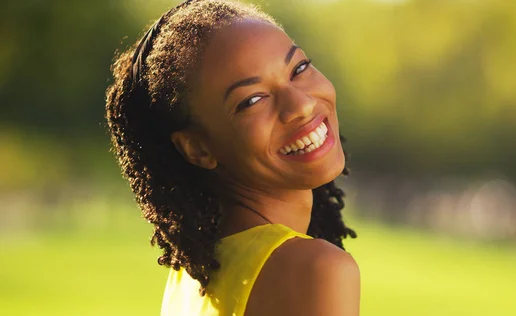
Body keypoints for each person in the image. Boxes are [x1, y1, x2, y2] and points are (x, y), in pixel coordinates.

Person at [105, 0, 359, 315]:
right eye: (252, 100)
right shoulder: (316, 270)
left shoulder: (192, 275)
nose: (301, 105)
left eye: (299, 69)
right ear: (198, 149)